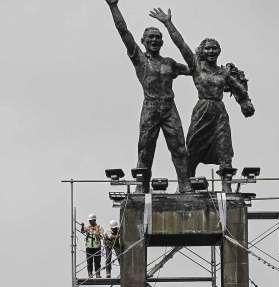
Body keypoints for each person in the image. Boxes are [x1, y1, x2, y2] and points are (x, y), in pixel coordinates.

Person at [149, 8, 256, 185]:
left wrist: (245, 103)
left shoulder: (223, 73)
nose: (211, 51)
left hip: (219, 112)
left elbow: (240, 90)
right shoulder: (196, 66)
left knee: (225, 148)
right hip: (202, 110)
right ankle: (186, 184)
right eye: (208, 48)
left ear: (219, 51)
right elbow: (181, 44)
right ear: (203, 51)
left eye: (214, 48)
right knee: (190, 148)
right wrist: (168, 24)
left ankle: (226, 186)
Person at [105, 0, 193, 193]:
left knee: (179, 148)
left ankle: (185, 184)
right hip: (151, 106)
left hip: (169, 107)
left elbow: (195, 70)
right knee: (145, 150)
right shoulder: (139, 58)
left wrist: (168, 24)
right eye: (150, 37)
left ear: (162, 42)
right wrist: (113, 7)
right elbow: (123, 31)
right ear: (143, 41)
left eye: (157, 37)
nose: (154, 40)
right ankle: (142, 186)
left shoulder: (170, 63)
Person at [81, 213, 104, 278]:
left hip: (97, 247)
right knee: (89, 262)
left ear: (94, 220)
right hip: (89, 247)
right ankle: (90, 273)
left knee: (97, 262)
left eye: (91, 221)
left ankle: (97, 274)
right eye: (89, 221)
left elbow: (102, 235)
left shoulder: (99, 227)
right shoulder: (88, 227)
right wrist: (82, 226)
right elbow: (82, 231)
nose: (90, 222)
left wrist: (97, 232)